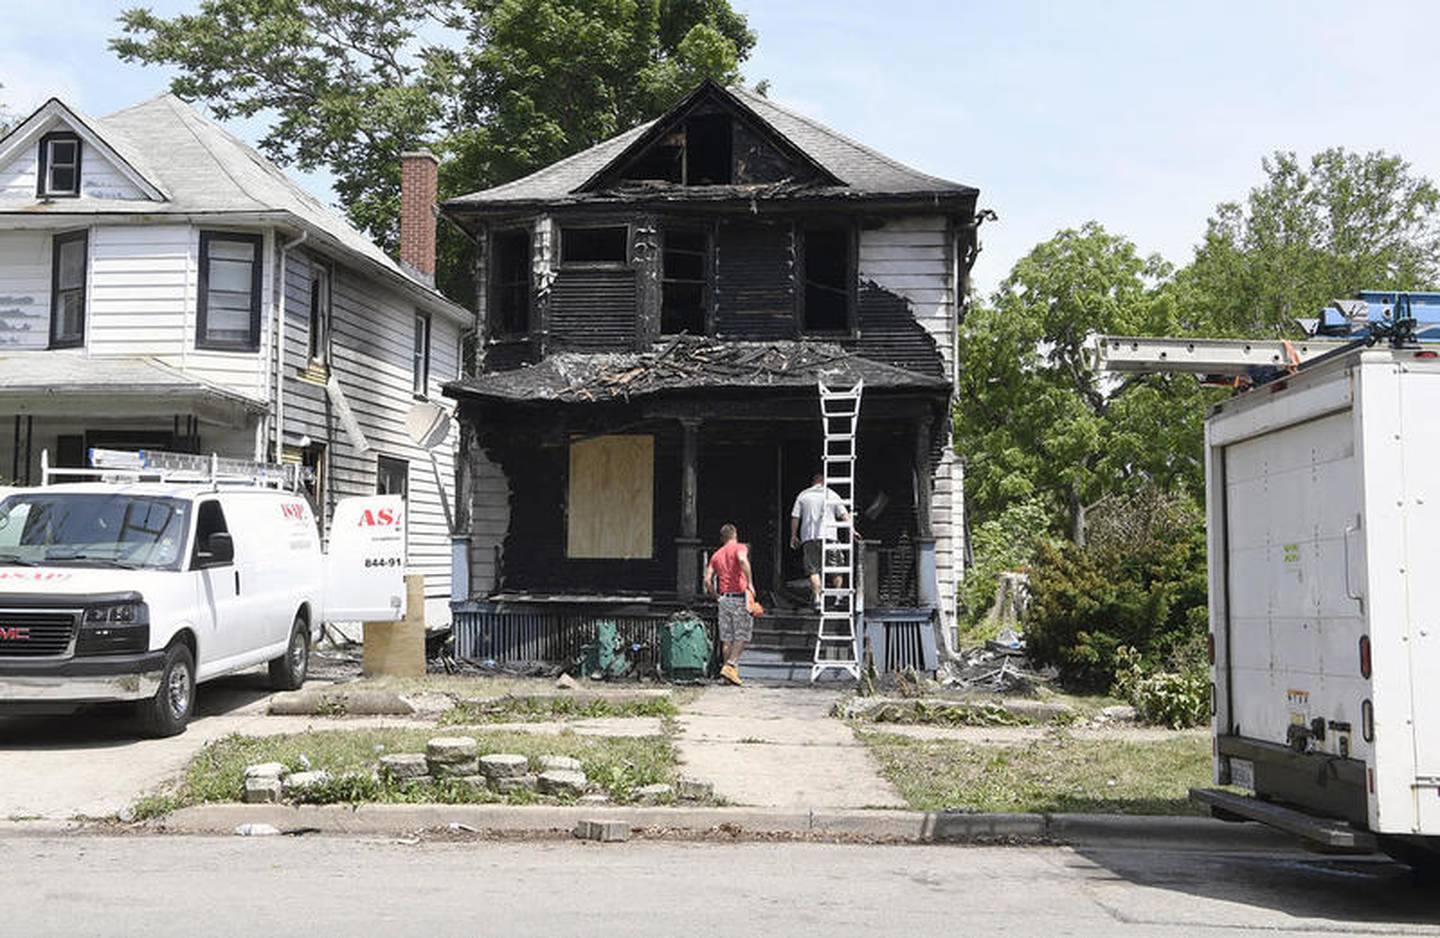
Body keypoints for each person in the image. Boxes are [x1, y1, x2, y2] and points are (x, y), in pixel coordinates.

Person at [790, 471, 855, 611]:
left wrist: (793, 535)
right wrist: (852, 530)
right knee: (836, 566)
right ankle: (838, 598)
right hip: (830, 535)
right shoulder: (832, 494)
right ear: (824, 481)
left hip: (809, 537)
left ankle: (818, 599)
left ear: (813, 482)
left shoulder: (803, 495)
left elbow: (795, 517)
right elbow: (844, 514)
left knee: (813, 570)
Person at [704, 522, 754, 686]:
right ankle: (730, 665)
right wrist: (750, 583)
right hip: (739, 597)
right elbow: (742, 561)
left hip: (724, 599)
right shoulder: (740, 548)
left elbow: (707, 580)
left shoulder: (716, 555)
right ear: (735, 535)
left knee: (727, 639)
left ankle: (728, 677)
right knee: (743, 635)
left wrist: (715, 596)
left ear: (722, 538)